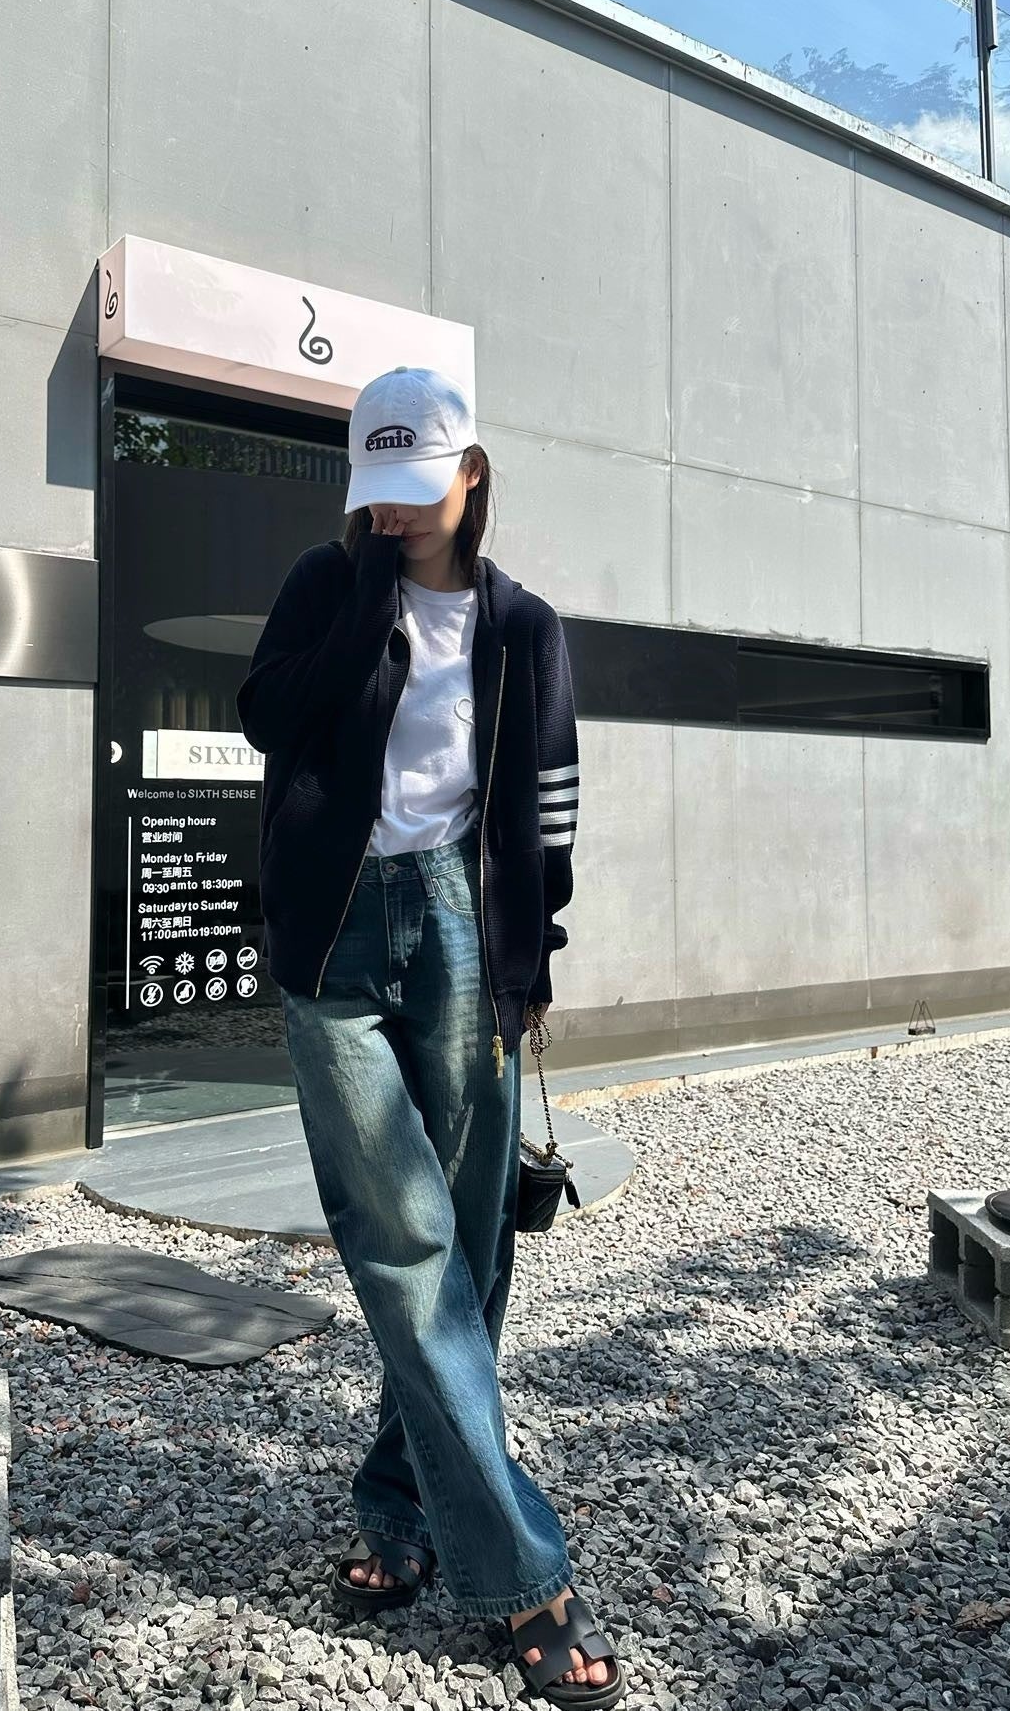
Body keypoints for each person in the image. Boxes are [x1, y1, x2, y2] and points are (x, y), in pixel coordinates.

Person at [235, 367, 625, 1708]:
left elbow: (548, 806)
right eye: (376, 490)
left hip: (466, 931)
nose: (393, 513)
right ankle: (523, 1577)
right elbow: (266, 718)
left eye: (416, 488)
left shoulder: (523, 626)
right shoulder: (324, 584)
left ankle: (398, 1504)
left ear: (471, 474)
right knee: (406, 1246)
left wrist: (532, 958)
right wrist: (363, 608)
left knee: (470, 1254)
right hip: (333, 943)